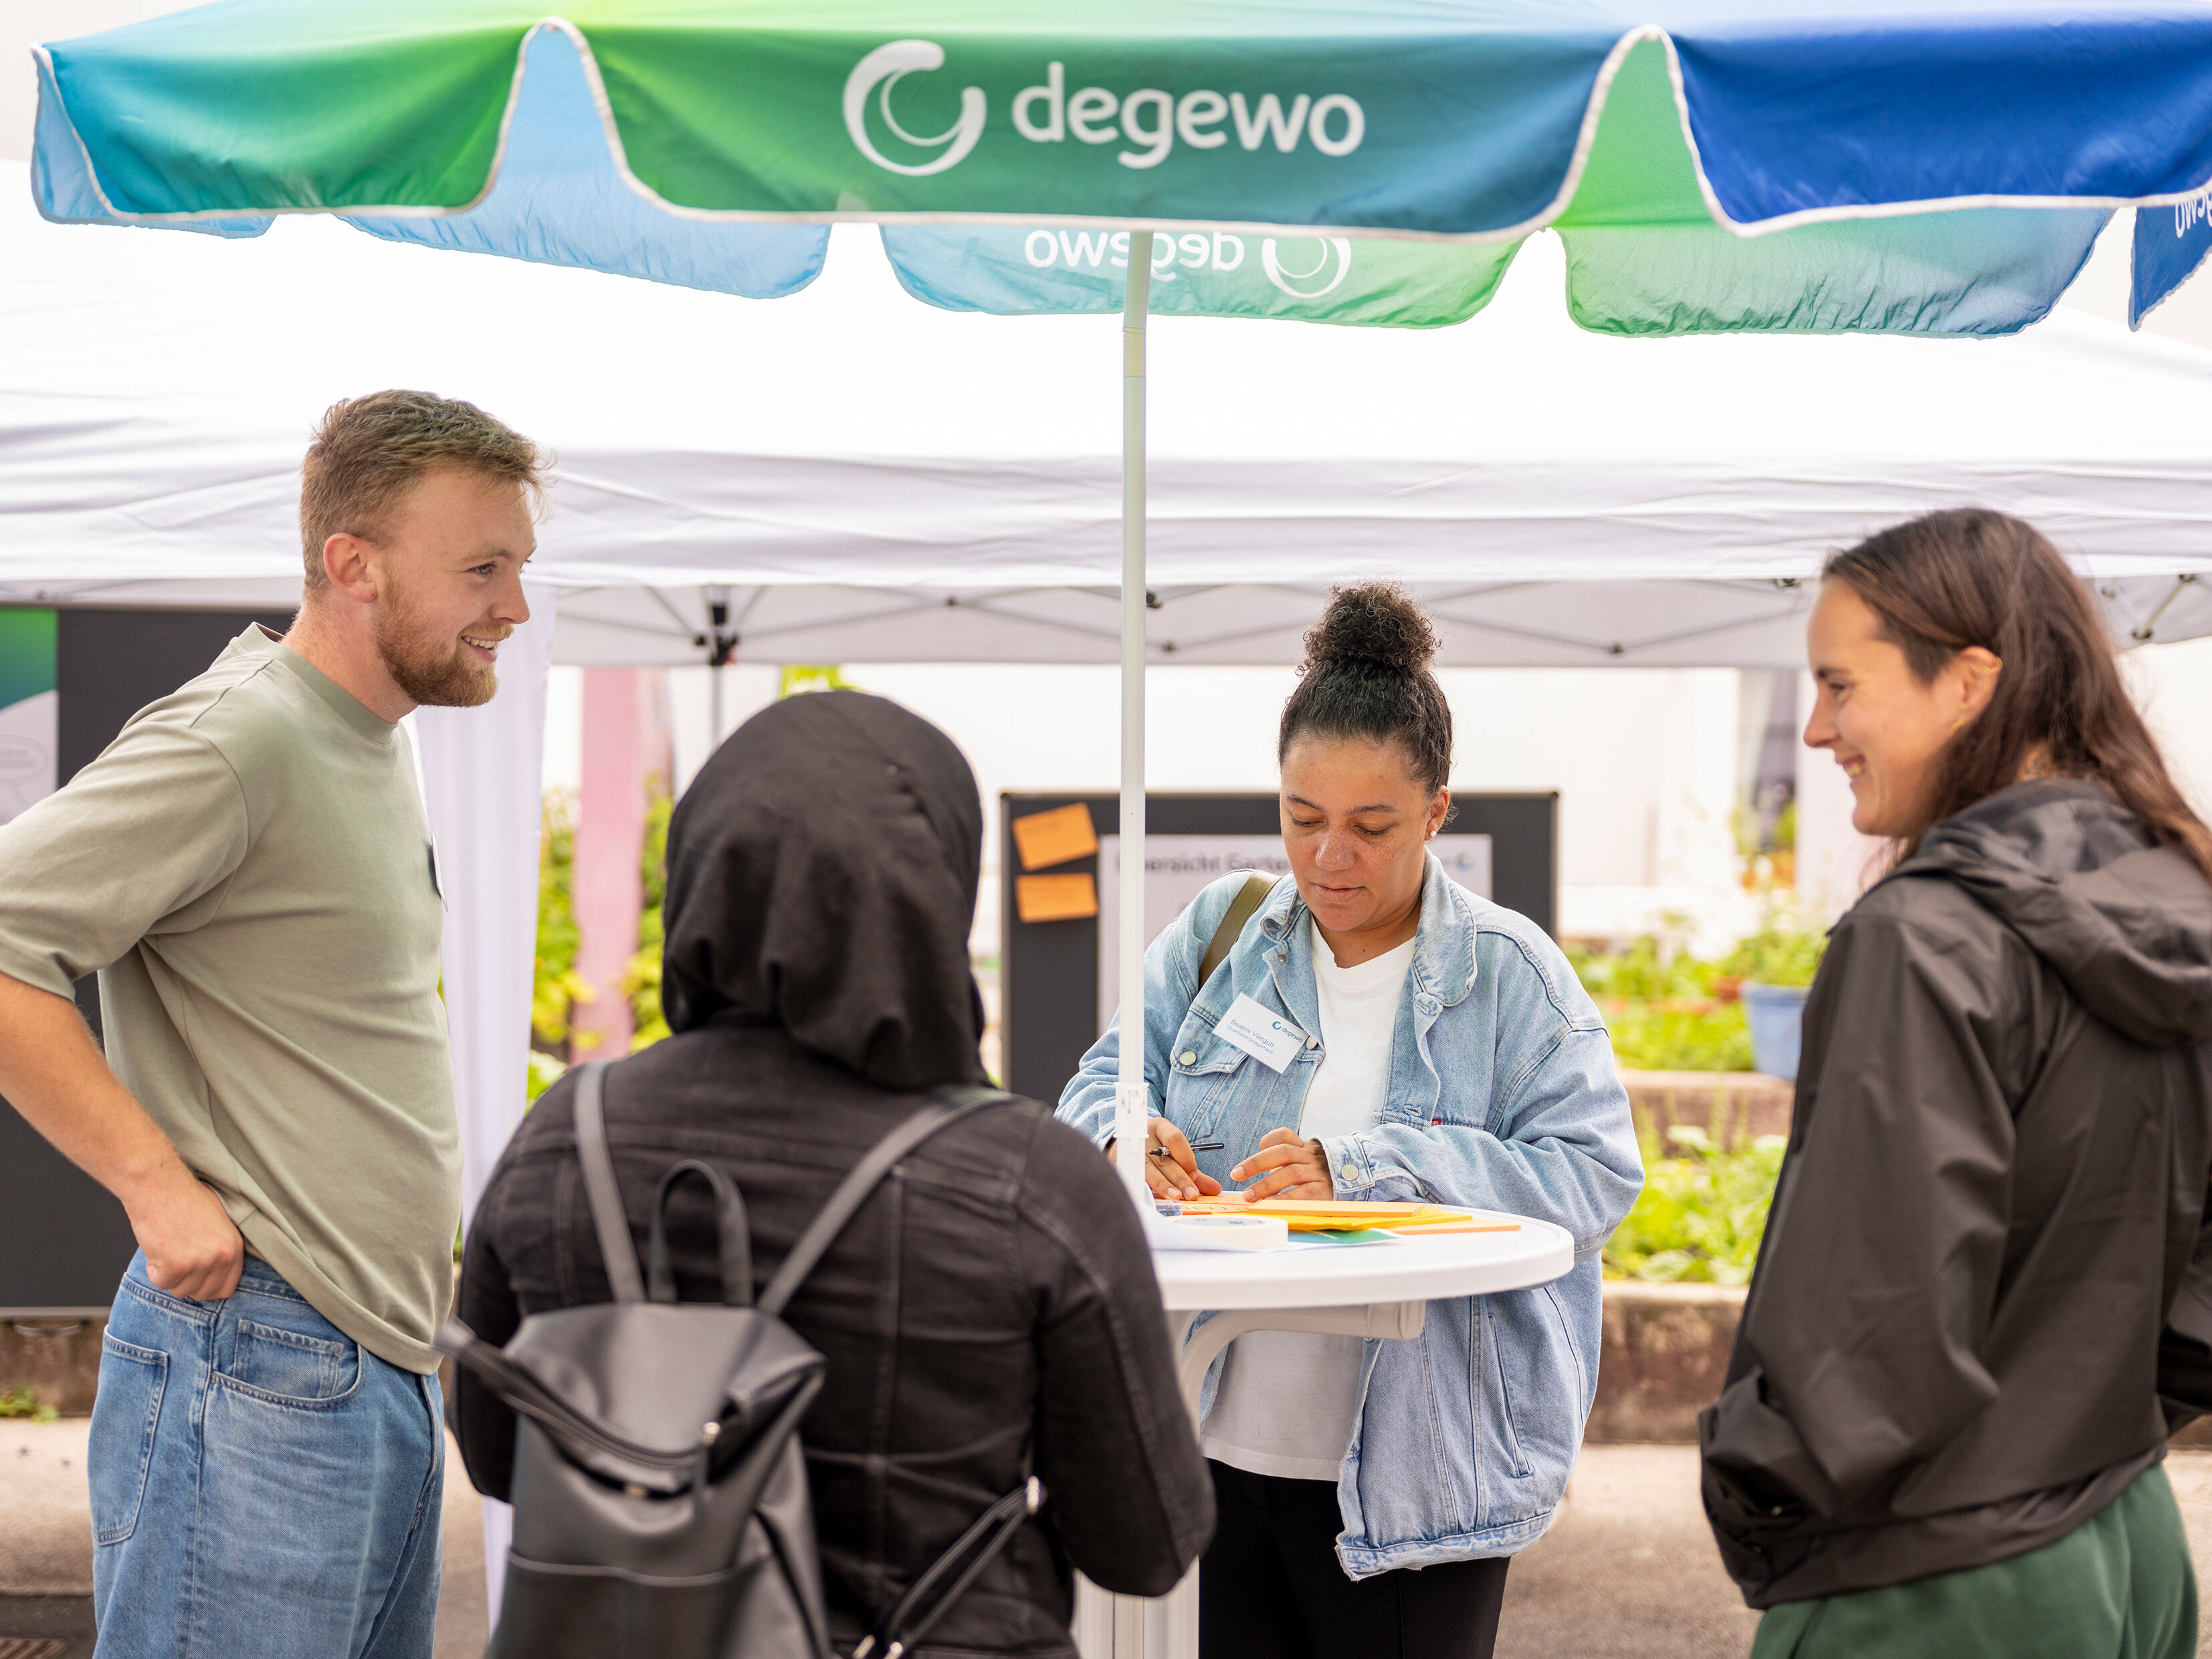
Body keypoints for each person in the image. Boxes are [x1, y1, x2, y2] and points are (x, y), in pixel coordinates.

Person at [452, 690, 1214, 1656]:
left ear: (701, 873)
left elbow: (495, 1453)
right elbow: (1144, 1546)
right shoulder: (1036, 1182)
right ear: (930, 895)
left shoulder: (569, 1137)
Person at [0, 390, 542, 1658]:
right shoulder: (242, 734)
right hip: (262, 1353)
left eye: (518, 566)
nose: (513, 604)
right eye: (481, 567)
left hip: (367, 1364)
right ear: (351, 565)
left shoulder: (364, 738)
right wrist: (156, 1188)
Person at [1060, 583, 1643, 1659]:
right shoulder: (1220, 931)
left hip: (1422, 1488)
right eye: (1302, 819)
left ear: (1437, 811)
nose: (1331, 857)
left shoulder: (1510, 978)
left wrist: (1367, 1170)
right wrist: (1119, 1137)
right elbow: (1105, 1074)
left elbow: (1593, 1178)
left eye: (1372, 826)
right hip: (1213, 1453)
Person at [1700, 509, 2212, 1658]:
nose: (1820, 727)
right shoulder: (2187, 902)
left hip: (1930, 1577)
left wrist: (1755, 1488)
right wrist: (2094, 1414)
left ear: (1970, 682)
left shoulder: (1922, 938)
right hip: (2125, 1539)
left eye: (1840, 684)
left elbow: (1868, 1324)